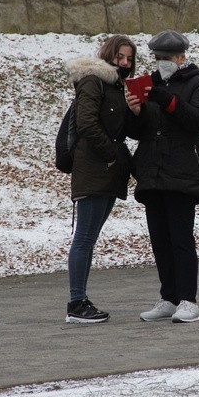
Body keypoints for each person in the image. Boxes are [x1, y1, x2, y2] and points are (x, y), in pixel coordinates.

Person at [125, 30, 199, 323]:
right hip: (153, 173)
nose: (163, 62)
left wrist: (170, 102)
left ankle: (188, 300)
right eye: (159, 58)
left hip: (183, 173)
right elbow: (140, 131)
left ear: (182, 57)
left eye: (169, 58)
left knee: (180, 239)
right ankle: (169, 297)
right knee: (160, 240)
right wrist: (135, 112)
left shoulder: (196, 82)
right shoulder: (148, 84)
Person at [64, 35, 136, 324]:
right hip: (95, 169)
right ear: (108, 55)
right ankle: (76, 303)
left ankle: (79, 301)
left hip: (108, 172)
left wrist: (135, 109)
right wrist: (111, 156)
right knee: (83, 238)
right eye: (120, 57)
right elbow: (87, 123)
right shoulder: (93, 81)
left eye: (130, 59)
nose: (125, 63)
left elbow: (123, 128)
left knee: (89, 239)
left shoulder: (117, 88)